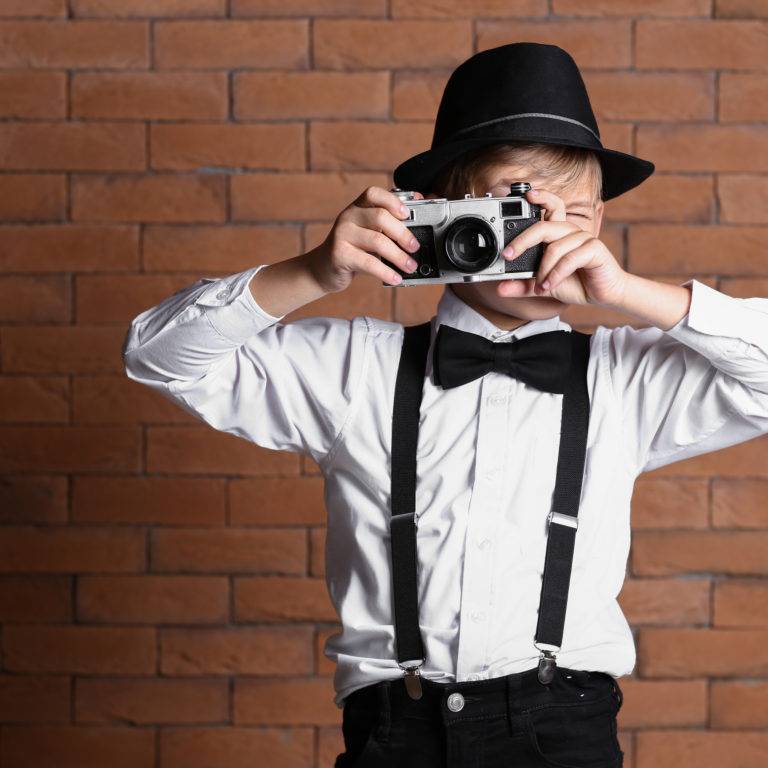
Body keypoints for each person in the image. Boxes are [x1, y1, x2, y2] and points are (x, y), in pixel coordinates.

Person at [123, 43, 768, 768]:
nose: (538, 235)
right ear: (443, 213)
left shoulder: (624, 379)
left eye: (572, 215)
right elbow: (157, 355)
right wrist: (312, 271)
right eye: (513, 208)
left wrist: (629, 295)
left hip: (565, 731)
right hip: (395, 731)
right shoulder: (355, 369)